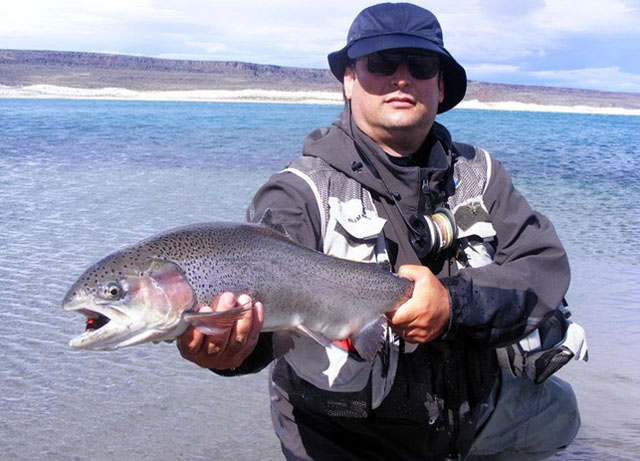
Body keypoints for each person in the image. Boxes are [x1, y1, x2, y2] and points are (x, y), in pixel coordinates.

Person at [177, 3, 582, 459]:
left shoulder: (480, 174)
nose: (402, 78)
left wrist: (452, 304)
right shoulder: (297, 194)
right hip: (346, 440)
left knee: (561, 411)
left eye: (422, 64)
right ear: (349, 79)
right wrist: (232, 353)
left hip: (473, 415)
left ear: (441, 83)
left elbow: (544, 268)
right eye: (382, 63)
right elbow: (266, 310)